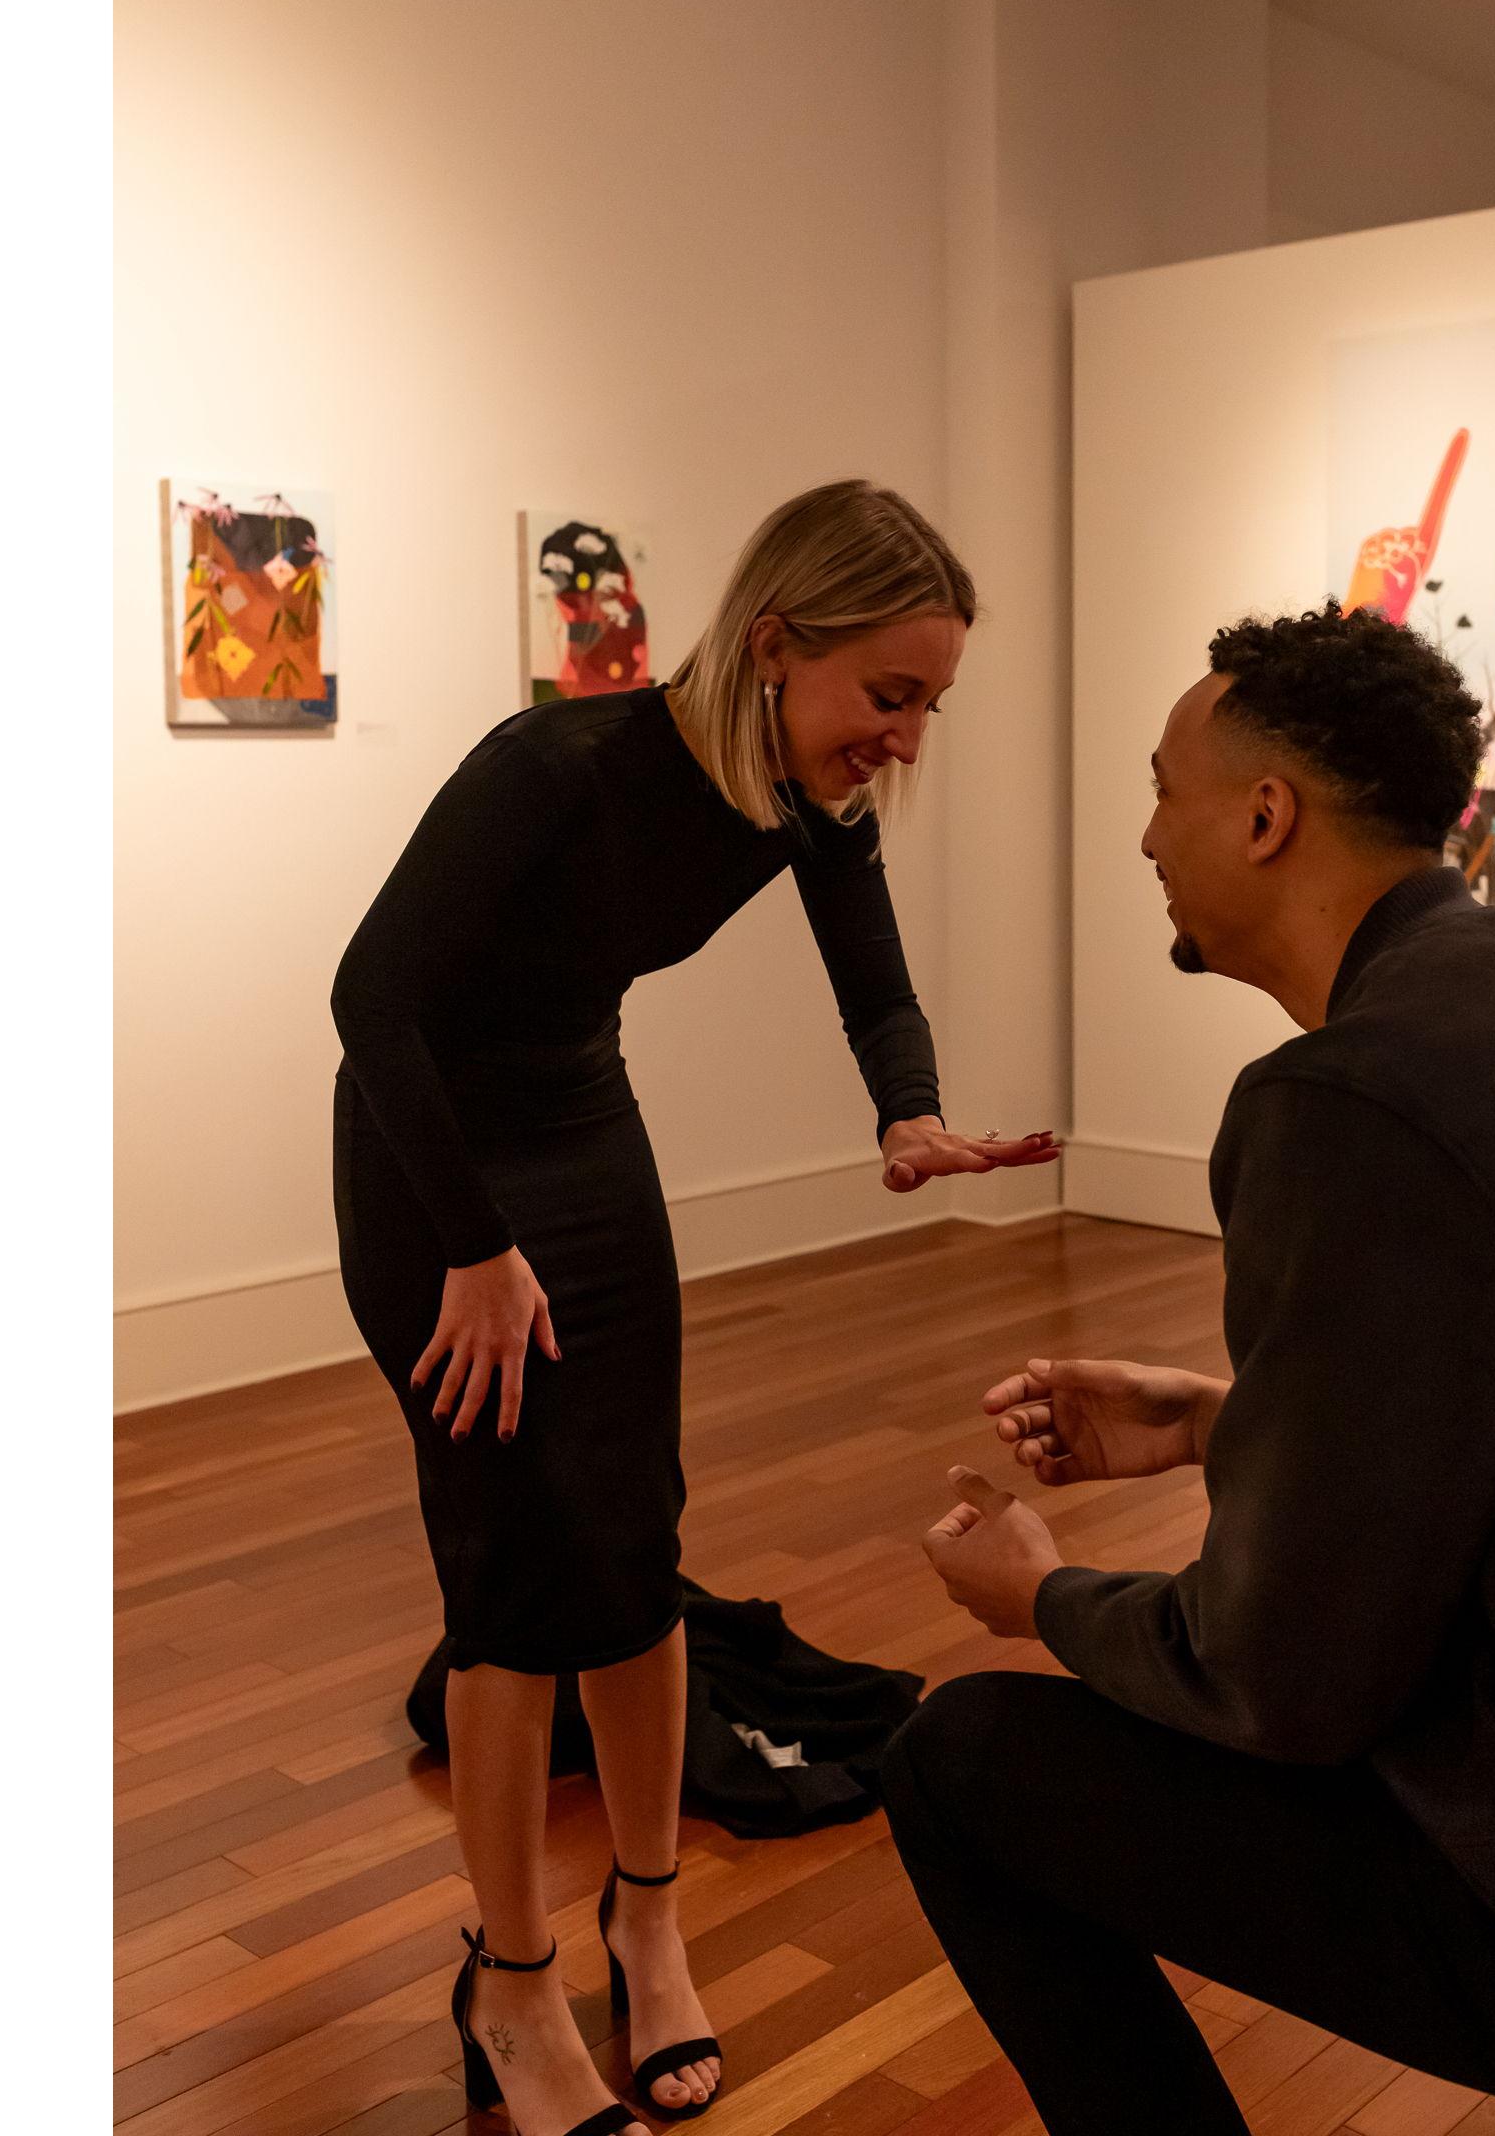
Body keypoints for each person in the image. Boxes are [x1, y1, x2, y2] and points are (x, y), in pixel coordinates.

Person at [883, 603, 1495, 2135]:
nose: (1146, 836)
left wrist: (1044, 1596)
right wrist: (1227, 1424)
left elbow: (1284, 1680)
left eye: (1162, 791)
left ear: (1266, 817)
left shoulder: (1357, 1099)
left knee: (960, 1761)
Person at [330, 481, 1057, 2136]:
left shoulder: (804, 798)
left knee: (634, 1537)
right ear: (777, 641)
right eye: (890, 695)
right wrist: (472, 1247)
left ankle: (646, 1923)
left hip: (582, 1132)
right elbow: (372, 1000)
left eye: (930, 706)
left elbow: (870, 967)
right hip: (434, 1166)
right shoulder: (554, 768)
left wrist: (909, 1112)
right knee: (515, 1568)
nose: (906, 740)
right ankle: (512, 1981)